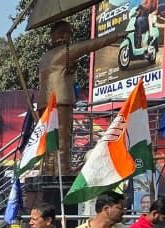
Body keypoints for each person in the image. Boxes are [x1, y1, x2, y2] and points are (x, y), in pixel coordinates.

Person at [36, 20, 123, 166]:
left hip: (43, 103)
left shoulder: (45, 57)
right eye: (70, 34)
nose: (71, 37)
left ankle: (50, 169)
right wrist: (117, 35)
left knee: (50, 141)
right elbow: (91, 45)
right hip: (61, 101)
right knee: (63, 139)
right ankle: (63, 168)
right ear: (63, 34)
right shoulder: (64, 51)